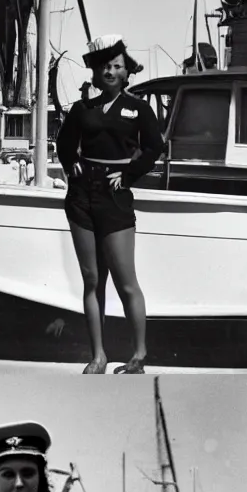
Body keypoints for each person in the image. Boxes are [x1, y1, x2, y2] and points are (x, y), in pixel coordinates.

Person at [55, 36, 164, 375]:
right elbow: (64, 143)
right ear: (95, 71)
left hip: (114, 198)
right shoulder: (82, 108)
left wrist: (128, 174)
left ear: (126, 71)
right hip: (81, 196)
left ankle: (139, 356)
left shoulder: (138, 109)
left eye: (117, 66)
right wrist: (70, 162)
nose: (111, 71)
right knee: (92, 280)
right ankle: (98, 356)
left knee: (125, 281)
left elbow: (154, 147)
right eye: (105, 66)